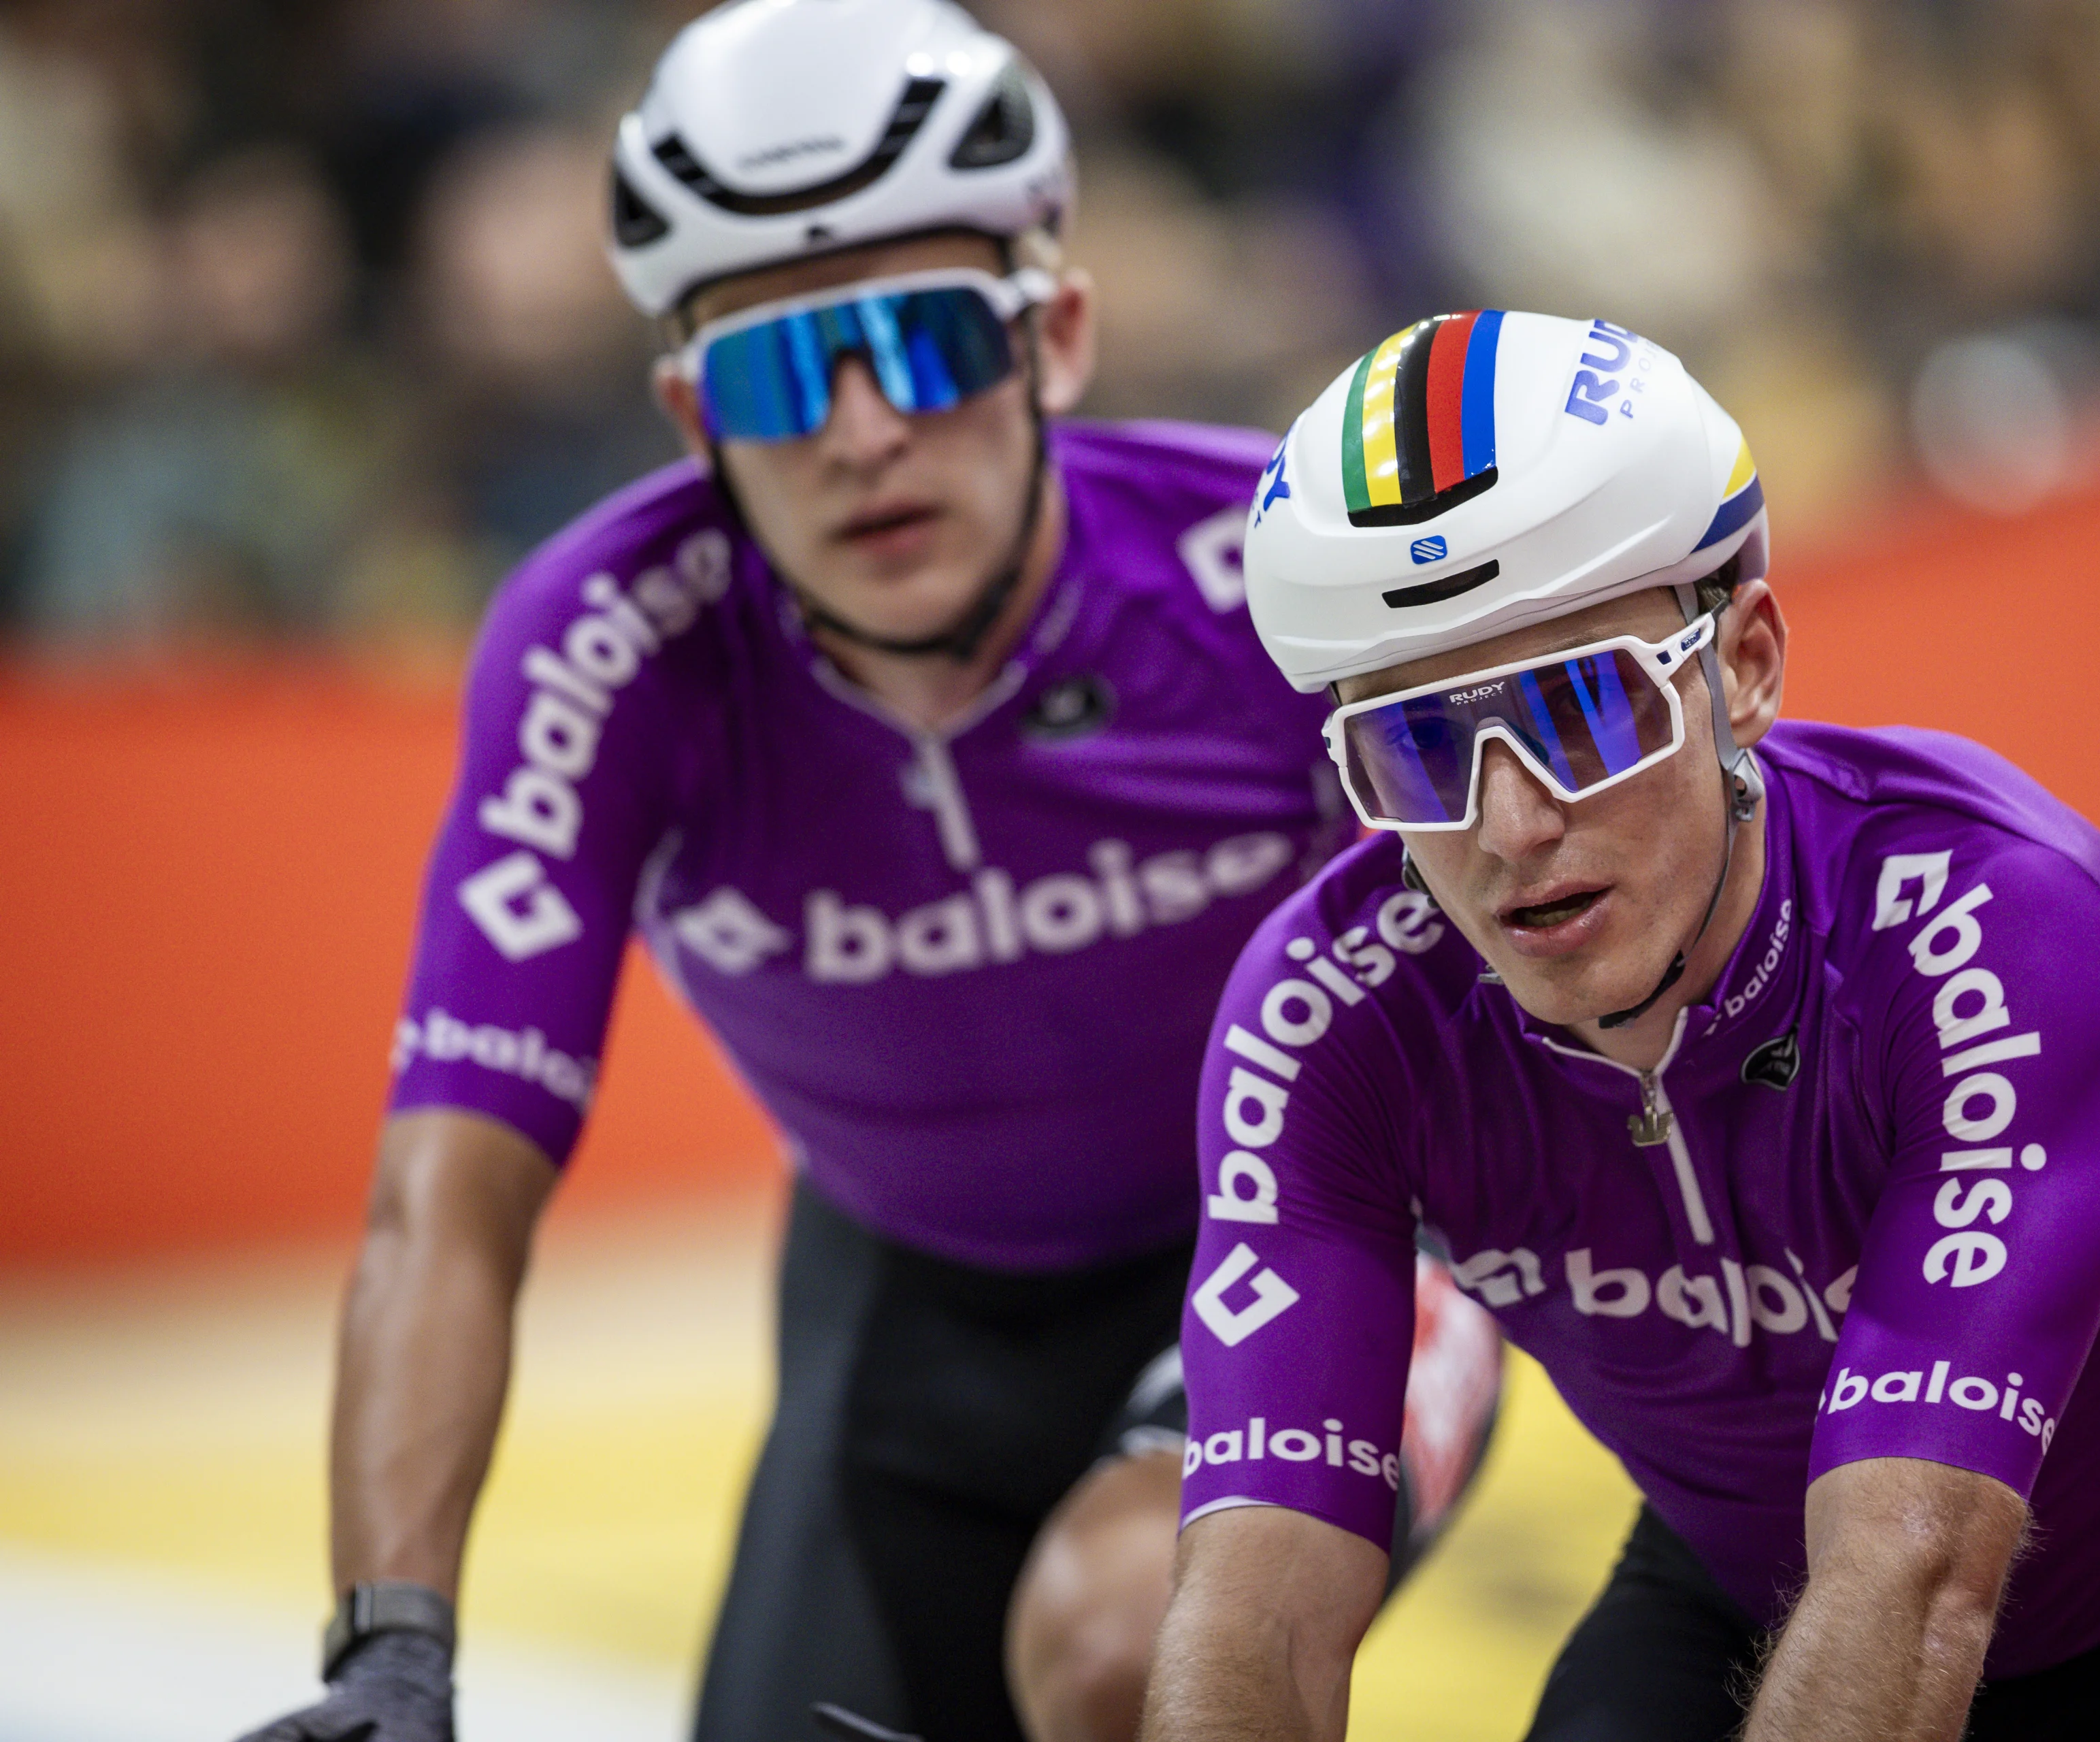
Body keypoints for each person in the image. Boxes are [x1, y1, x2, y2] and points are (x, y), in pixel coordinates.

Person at [235, 7, 1499, 1742]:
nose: (856, 431)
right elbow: (447, 1197)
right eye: (775, 371)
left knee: (1134, 1648)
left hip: (1320, 1225)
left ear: (1052, 336)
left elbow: (1543, 982)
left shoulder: (1264, 582)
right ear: (694, 415)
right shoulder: (608, 651)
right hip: (910, 1297)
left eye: (920, 343)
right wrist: (392, 1645)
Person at [1142, 309, 2100, 1741]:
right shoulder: (1331, 1017)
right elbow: (1256, 1597)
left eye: (1582, 711)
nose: (1513, 824)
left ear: (1742, 664)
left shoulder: (1992, 924)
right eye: (1418, 745)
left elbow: (1911, 1569)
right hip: (1734, 1609)